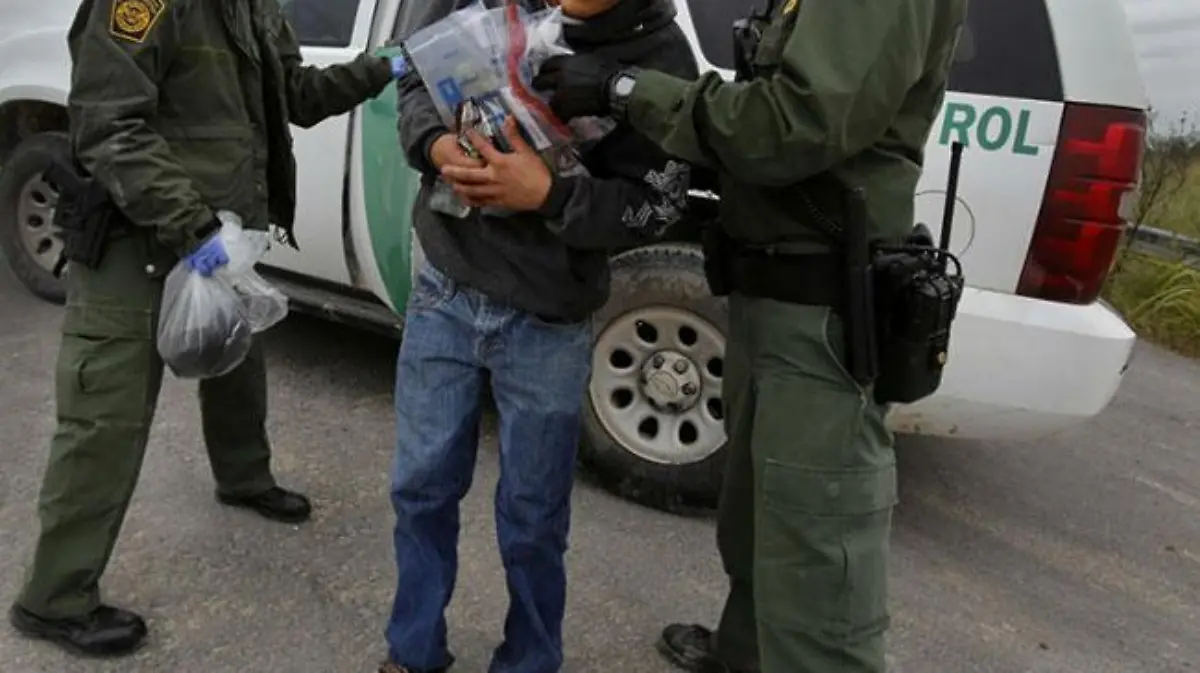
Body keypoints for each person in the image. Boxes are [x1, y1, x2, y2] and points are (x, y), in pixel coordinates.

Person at [533, 0, 968, 670]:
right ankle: (746, 654)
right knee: (760, 520)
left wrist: (626, 89)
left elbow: (795, 126)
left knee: (816, 562)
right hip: (773, 297)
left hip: (819, 315)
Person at [7, 0, 401, 658]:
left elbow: (294, 95)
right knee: (105, 417)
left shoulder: (254, 6)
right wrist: (194, 228)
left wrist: (381, 68)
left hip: (219, 232)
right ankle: (54, 598)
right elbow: (109, 125)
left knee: (235, 358)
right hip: (139, 237)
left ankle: (243, 477)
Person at [381, 0, 697, 671]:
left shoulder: (660, 56)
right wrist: (434, 145)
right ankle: (412, 651)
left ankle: (529, 659)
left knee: (533, 516)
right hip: (446, 287)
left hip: (549, 316)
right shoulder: (478, 6)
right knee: (421, 487)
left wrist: (550, 195)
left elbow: (658, 205)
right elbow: (414, 78)